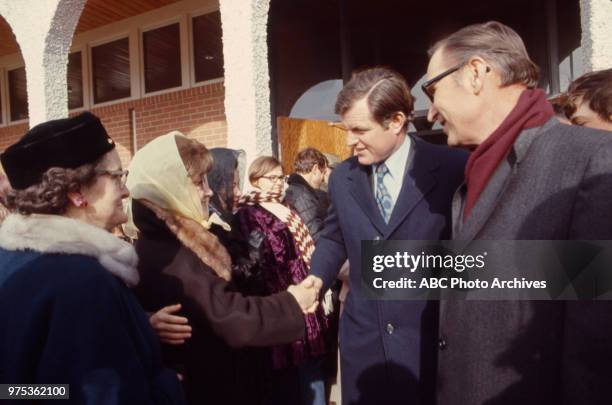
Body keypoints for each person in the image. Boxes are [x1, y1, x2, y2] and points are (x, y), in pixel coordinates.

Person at [424, 21, 612, 405]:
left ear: (476, 73)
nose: (429, 113)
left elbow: (595, 344)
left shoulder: (590, 158)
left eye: (432, 90)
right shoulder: (473, 174)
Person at [307, 67, 468, 405]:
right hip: (364, 348)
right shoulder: (343, 179)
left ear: (396, 121)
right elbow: (335, 237)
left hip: (427, 343)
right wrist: (316, 279)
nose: (349, 140)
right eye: (346, 128)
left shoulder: (454, 167)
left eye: (359, 129)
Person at [0, 112, 185, 404]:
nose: (126, 190)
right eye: (116, 177)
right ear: (76, 192)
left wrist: (139, 327)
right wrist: (166, 388)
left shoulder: (11, 258)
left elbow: (25, 387)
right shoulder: (82, 281)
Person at [126, 133, 319, 405]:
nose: (208, 191)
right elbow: (230, 317)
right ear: (169, 188)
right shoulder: (172, 255)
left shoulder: (180, 240)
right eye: (197, 183)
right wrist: (292, 302)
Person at [237, 156, 328, 405]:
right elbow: (261, 258)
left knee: (311, 359)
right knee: (293, 362)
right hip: (280, 292)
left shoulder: (285, 205)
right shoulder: (249, 212)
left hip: (301, 283)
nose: (279, 183)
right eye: (272, 178)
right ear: (256, 180)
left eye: (281, 177)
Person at [285, 147, 329, 242]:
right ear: (315, 169)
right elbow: (316, 236)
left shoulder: (296, 190)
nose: (323, 180)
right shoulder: (302, 195)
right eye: (323, 173)